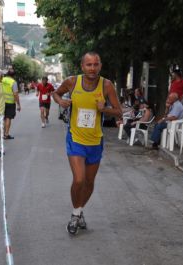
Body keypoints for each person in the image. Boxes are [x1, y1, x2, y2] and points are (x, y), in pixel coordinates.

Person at [53, 52, 122, 235]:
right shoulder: (72, 82)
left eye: (96, 64)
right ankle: (76, 215)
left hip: (95, 140)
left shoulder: (106, 85)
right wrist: (62, 101)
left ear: (100, 65)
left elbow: (119, 112)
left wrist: (104, 108)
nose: (92, 68)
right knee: (79, 179)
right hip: (75, 139)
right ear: (82, 66)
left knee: (90, 182)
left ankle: (79, 210)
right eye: (89, 65)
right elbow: (56, 93)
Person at [2, 68, 20, 139]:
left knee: (3, 118)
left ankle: (3, 133)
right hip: (10, 102)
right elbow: (15, 94)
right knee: (8, 118)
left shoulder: (2, 80)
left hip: (2, 102)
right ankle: (6, 134)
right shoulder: (13, 82)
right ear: (13, 75)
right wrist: (18, 104)